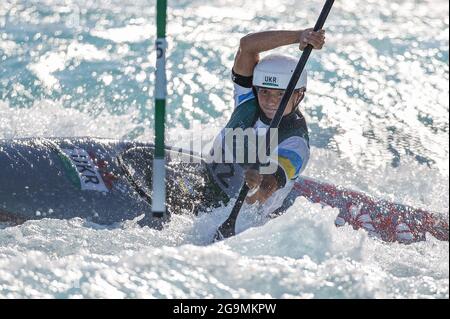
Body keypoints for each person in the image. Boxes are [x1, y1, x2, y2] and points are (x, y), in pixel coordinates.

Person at [204, 28, 326, 216]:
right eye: (265, 91)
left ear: (299, 95)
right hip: (205, 185)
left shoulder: (295, 142)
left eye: (281, 95)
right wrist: (300, 36)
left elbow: (268, 187)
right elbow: (247, 46)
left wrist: (256, 185)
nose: (270, 101)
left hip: (239, 218)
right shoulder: (247, 98)